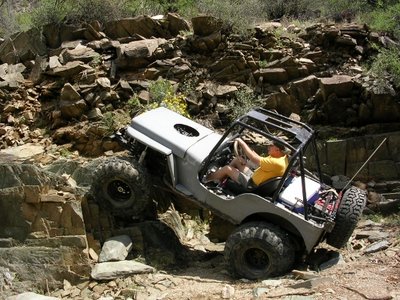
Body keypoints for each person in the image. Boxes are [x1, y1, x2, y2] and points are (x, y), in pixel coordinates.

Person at [205, 137, 290, 188]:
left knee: (227, 169)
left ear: (277, 149)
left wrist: (242, 143)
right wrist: (248, 149)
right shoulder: (282, 157)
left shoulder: (276, 162)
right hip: (254, 176)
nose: (268, 147)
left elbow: (254, 158)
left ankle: (205, 179)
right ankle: (220, 179)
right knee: (237, 160)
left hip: (251, 184)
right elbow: (258, 158)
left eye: (271, 146)